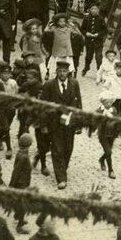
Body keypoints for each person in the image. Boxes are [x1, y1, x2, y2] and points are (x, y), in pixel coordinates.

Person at [39, 60, 82, 189]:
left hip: (69, 122)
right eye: (60, 71)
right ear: (56, 72)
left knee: (68, 148)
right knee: (57, 150)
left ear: (68, 72)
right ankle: (61, 178)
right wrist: (43, 124)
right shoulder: (49, 85)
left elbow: (79, 104)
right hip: (54, 123)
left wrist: (79, 123)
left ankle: (62, 168)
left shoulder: (74, 84)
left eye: (65, 71)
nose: (62, 74)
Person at [9, 134, 34, 233]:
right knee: (23, 203)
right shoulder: (23, 156)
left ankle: (17, 216)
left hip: (23, 182)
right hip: (21, 183)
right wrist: (11, 185)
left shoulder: (21, 153)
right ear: (28, 144)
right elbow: (16, 171)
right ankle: (20, 226)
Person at [96, 93, 119, 179]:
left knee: (108, 151)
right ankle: (111, 171)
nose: (109, 104)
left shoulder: (114, 110)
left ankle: (101, 160)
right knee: (109, 152)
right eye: (107, 102)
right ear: (102, 102)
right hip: (103, 134)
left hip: (112, 134)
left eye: (110, 102)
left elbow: (116, 120)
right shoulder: (99, 111)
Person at [81, 3, 107, 76]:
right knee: (88, 56)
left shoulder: (101, 19)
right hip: (89, 41)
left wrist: (98, 34)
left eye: (95, 9)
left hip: (98, 42)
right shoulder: (86, 18)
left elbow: (105, 30)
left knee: (98, 57)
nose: (94, 10)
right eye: (92, 9)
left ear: (98, 10)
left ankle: (99, 71)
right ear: (89, 10)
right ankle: (86, 67)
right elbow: (82, 29)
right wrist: (86, 33)